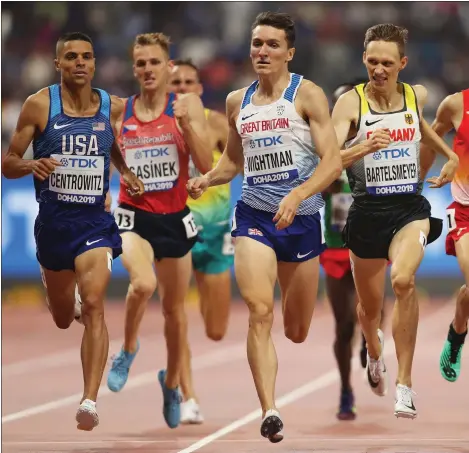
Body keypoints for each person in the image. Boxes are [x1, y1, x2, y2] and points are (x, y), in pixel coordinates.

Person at [187, 11, 342, 443]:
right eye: (257, 43)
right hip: (254, 215)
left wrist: (296, 196)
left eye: (272, 44)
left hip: (303, 218)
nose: (262, 51)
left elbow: (331, 163)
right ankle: (270, 410)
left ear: (289, 52)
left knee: (296, 330)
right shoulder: (237, 100)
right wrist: (208, 178)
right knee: (259, 311)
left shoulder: (307, 94)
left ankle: (280, 374)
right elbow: (233, 162)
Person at [1, 32, 144, 431]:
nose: (80, 63)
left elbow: (110, 143)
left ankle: (88, 400)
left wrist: (127, 172)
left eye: (87, 57)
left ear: (94, 64)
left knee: (96, 301)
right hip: (53, 224)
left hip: (95, 223)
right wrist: (33, 166)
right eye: (71, 57)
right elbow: (8, 162)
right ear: (58, 64)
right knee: (65, 319)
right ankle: (59, 292)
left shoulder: (109, 106)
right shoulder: (40, 105)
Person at [332, 23, 459, 419]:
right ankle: (373, 351)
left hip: (409, 209)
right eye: (372, 61)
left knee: (403, 281)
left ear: (402, 63)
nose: (379, 69)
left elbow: (419, 123)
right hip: (367, 213)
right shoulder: (350, 105)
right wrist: (360, 147)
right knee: (369, 311)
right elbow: (329, 159)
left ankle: (404, 385)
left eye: (387, 62)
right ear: (363, 60)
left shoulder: (415, 94)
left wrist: (448, 154)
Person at [105, 33, 212, 429]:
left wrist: (186, 127)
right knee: (143, 284)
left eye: (155, 63)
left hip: (174, 217)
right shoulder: (121, 110)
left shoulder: (186, 106)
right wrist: (117, 180)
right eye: (141, 64)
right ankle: (129, 348)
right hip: (134, 216)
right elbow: (105, 152)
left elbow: (205, 161)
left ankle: (171, 384)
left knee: (174, 313)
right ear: (134, 69)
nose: (148, 70)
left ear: (169, 68)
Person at [168, 59, 233, 424]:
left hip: (215, 229)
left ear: (199, 88)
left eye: (189, 82)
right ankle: (186, 394)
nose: (182, 88)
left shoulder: (217, 123)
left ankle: (181, 383)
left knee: (216, 329)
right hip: (173, 227)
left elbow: (235, 165)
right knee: (176, 316)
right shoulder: (156, 126)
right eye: (175, 83)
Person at [321, 81, 387, 421]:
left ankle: (369, 343)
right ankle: (346, 391)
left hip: (370, 244)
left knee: (375, 313)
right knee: (343, 324)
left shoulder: (374, 144)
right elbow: (315, 189)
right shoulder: (325, 151)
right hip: (335, 249)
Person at [420, 89, 468, 383]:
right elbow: (430, 137)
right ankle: (457, 340)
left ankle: (456, 331)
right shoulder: (456, 104)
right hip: (465, 211)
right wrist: (417, 180)